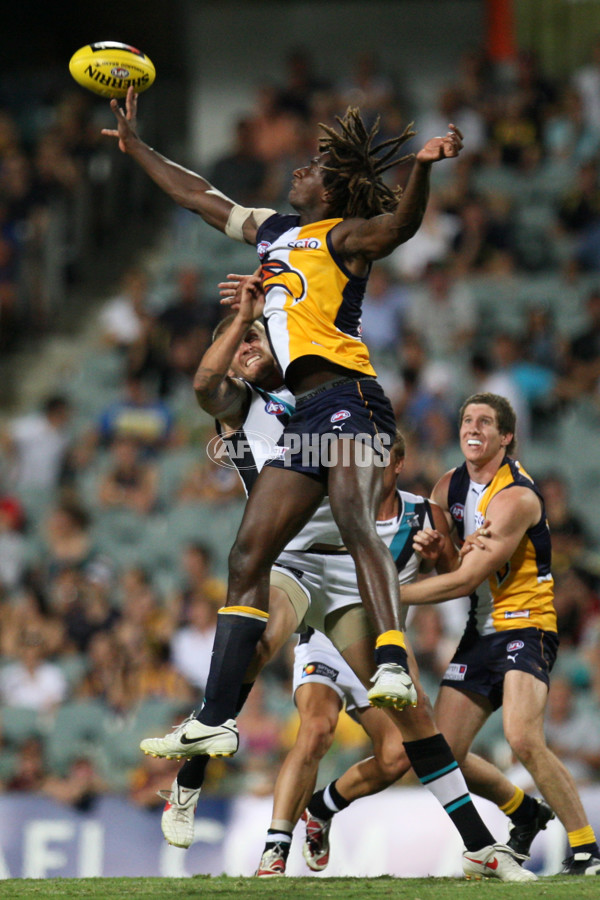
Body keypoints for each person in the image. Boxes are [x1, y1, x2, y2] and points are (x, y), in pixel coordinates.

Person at [104, 86, 464, 729]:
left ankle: (390, 661)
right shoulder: (275, 233)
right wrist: (138, 149)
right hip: (306, 414)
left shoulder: (344, 237)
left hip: (352, 399)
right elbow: (200, 197)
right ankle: (213, 721)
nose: (301, 168)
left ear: (333, 189)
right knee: (247, 556)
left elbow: (400, 226)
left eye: (315, 168)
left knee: (356, 522)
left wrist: (423, 170)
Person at [148, 295, 537, 882]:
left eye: (258, 338)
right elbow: (206, 384)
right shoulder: (239, 403)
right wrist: (239, 325)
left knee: (413, 715)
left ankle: (480, 847)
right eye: (240, 344)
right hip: (292, 561)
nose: (250, 348)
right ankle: (189, 782)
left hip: (348, 567)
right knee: (253, 648)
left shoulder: (321, 403)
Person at [396, 392, 600, 876]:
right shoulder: (449, 485)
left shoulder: (517, 497)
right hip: (480, 628)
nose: (473, 427)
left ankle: (587, 848)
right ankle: (524, 812)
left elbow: (464, 580)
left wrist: (390, 595)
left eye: (485, 422)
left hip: (527, 624)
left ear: (506, 437)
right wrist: (433, 547)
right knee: (439, 753)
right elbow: (449, 562)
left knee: (522, 738)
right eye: (467, 419)